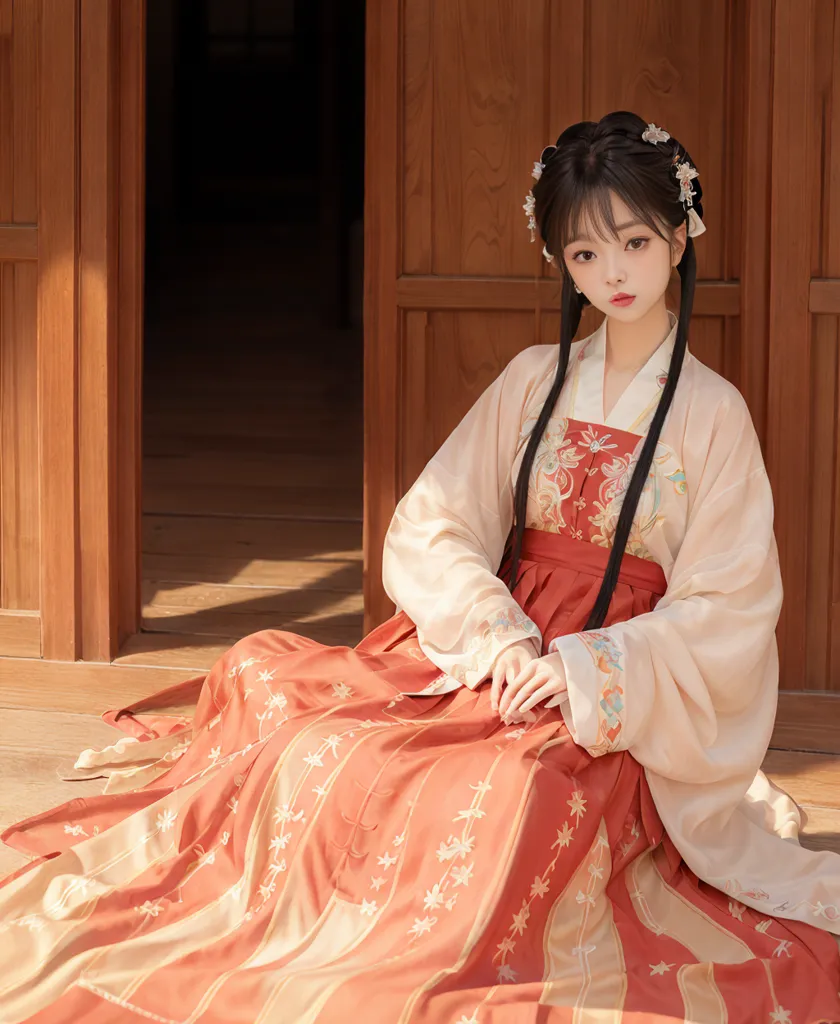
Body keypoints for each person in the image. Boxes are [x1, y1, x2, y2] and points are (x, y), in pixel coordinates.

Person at [0, 110, 838, 1023]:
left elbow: (731, 602)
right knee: (322, 740)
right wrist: (501, 636)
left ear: (681, 235)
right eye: (586, 255)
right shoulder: (531, 378)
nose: (613, 275)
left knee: (504, 790)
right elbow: (433, 521)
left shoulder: (716, 415)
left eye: (635, 242)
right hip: (500, 643)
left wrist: (582, 670)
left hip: (619, 688)